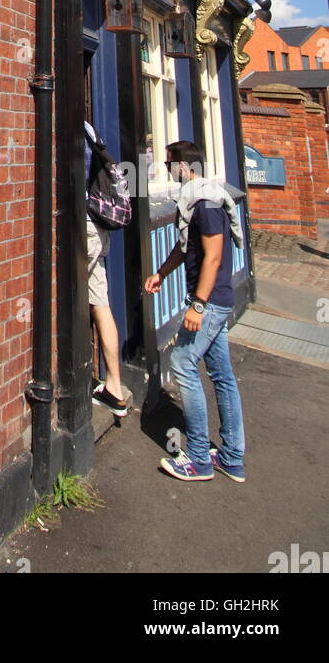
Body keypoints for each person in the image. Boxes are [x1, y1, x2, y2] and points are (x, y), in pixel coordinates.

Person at [144, 139, 246, 483]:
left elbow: (214, 256)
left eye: (170, 164)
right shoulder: (200, 199)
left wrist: (199, 305)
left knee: (182, 364)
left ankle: (200, 459)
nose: (168, 171)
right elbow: (186, 245)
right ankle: (231, 457)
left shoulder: (206, 203)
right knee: (221, 373)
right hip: (213, 300)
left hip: (211, 302)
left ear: (185, 167)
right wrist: (161, 273)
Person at [85, 121, 127, 418]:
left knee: (69, 295)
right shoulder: (90, 129)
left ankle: (72, 378)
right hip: (100, 226)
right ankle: (115, 386)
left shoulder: (72, 128)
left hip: (85, 226)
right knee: (100, 303)